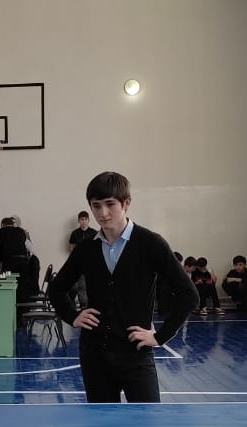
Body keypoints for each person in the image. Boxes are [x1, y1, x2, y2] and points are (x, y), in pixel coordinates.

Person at [48, 171, 198, 402]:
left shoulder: (151, 243)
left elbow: (189, 295)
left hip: (135, 353)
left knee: (146, 419)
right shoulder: (86, 249)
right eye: (96, 206)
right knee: (101, 421)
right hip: (94, 355)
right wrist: (72, 316)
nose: (103, 213)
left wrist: (160, 337)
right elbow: (57, 288)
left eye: (110, 204)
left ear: (126, 203)